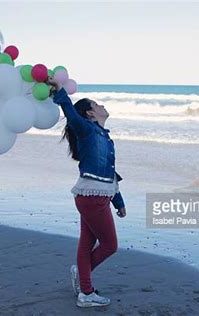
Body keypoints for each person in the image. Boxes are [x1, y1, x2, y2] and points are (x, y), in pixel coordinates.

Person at [47, 77, 127, 308]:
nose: (102, 106)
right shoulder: (87, 131)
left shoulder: (105, 138)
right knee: (110, 245)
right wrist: (60, 92)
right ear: (90, 114)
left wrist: (118, 201)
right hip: (91, 199)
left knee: (86, 245)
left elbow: (110, 172)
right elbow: (71, 115)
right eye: (97, 104)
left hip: (96, 197)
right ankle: (86, 290)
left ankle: (84, 284)